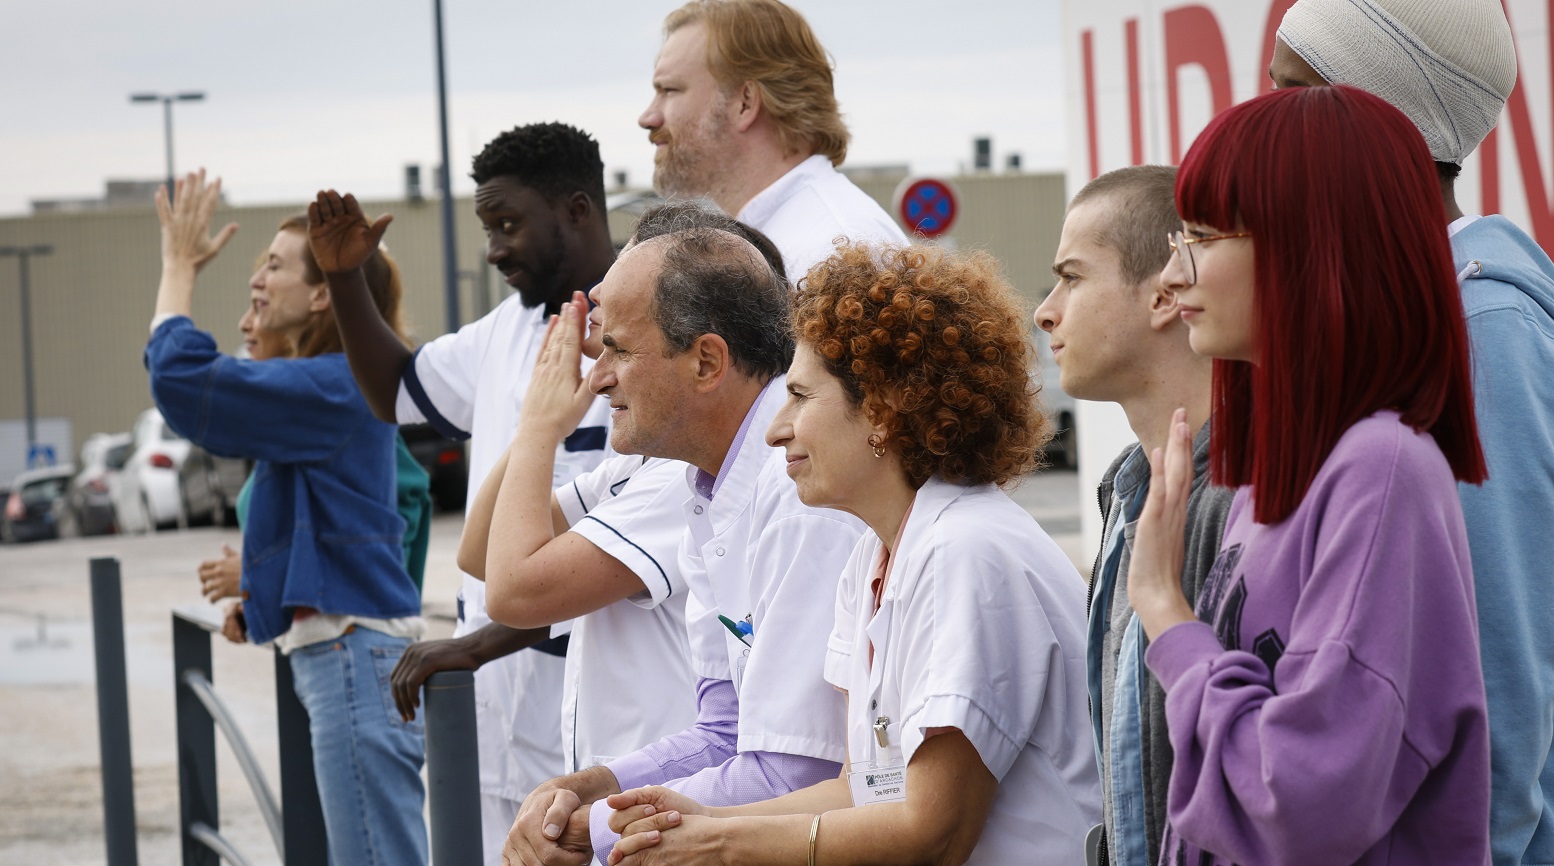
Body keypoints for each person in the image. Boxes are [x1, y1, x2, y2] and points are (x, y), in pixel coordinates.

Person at [602, 241, 1100, 865]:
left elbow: (934, 832)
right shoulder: (875, 555)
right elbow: (862, 789)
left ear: (886, 409)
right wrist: (697, 819)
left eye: (802, 398)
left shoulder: (966, 552)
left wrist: (723, 842)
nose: (775, 428)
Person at [1128, 85, 1490, 865]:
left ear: (1309, 245)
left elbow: (1298, 801)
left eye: (1202, 235)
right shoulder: (1279, 475)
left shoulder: (1381, 470)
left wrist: (1169, 618)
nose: (1172, 274)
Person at [1270, 5, 1554, 861]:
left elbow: (1505, 675)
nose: (1262, 124)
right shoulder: (1429, 322)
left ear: (1380, 121)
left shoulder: (1485, 334)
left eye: (1292, 94)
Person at [502, 225, 864, 866]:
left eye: (616, 348)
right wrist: (583, 787)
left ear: (705, 361)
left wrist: (588, 831)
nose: (598, 376)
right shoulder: (710, 486)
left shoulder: (800, 491)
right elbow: (725, 731)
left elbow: (798, 774)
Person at [314, 122, 616, 866]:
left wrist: (478, 645)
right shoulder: (505, 330)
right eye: (487, 228)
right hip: (486, 695)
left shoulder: (643, 331)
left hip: (591, 694)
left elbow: (626, 553)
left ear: (576, 209)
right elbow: (396, 392)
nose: (493, 250)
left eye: (508, 223)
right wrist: (347, 279)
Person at [452, 203, 791, 793]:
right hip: (663, 789)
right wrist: (543, 423)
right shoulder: (653, 465)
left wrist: (537, 428)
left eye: (622, 330)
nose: (600, 294)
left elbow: (511, 590)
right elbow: (479, 552)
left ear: (705, 353)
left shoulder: (676, 476)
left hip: (685, 799)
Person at [146, 170, 429, 866]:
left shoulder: (334, 385)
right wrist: (263, 596)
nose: (257, 281)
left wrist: (178, 268)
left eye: (274, 265)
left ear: (321, 294)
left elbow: (184, 381)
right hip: (345, 658)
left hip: (352, 659)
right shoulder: (330, 390)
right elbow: (318, 524)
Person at [1033, 166, 1232, 866]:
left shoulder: (1246, 500)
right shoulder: (1127, 493)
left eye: (1073, 277)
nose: (1046, 310)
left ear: (1163, 294)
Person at [640, 0, 904, 275]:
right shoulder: (791, 238)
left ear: (745, 103)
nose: (648, 117)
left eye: (669, 90)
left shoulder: (836, 251)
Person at [198, 302, 432, 604]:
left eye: (259, 307)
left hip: (355, 642)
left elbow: (375, 564)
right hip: (321, 644)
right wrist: (252, 608)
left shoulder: (345, 421)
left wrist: (254, 575)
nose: (244, 323)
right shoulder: (294, 425)